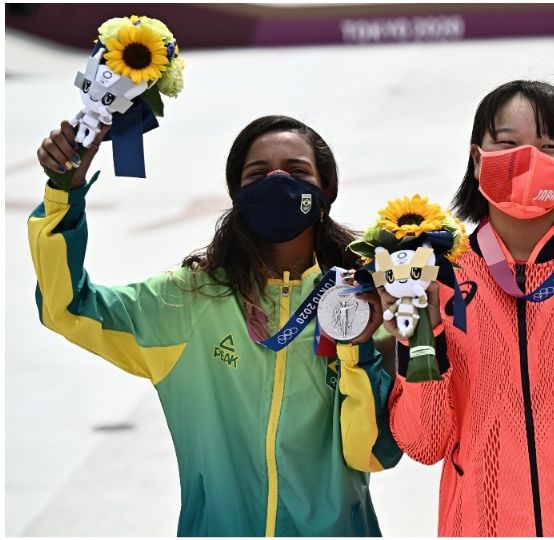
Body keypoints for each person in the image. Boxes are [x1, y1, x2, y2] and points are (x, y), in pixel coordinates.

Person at [29, 115, 401, 536]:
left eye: (296, 172)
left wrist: (357, 347)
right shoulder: (189, 300)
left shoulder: (366, 300)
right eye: (258, 173)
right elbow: (68, 307)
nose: (277, 181)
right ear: (239, 194)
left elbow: (374, 453)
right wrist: (64, 192)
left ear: (326, 189)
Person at [384, 80, 554, 536]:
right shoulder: (437, 277)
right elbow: (424, 442)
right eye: (508, 144)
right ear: (478, 160)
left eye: (549, 147)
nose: (528, 161)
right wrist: (422, 337)